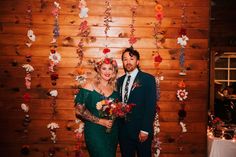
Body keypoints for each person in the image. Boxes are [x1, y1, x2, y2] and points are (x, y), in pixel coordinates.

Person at [74, 57, 119, 157]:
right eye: (104, 68)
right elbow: (79, 110)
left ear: (113, 71)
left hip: (111, 132)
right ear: (98, 70)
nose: (107, 72)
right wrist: (100, 121)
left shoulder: (115, 90)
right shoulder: (89, 86)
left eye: (110, 68)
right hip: (95, 131)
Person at [117, 47, 157, 157]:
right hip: (124, 132)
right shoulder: (119, 81)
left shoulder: (148, 79)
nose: (128, 62)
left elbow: (151, 106)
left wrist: (145, 130)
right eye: (125, 59)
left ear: (137, 61)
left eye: (131, 59)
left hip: (141, 131)